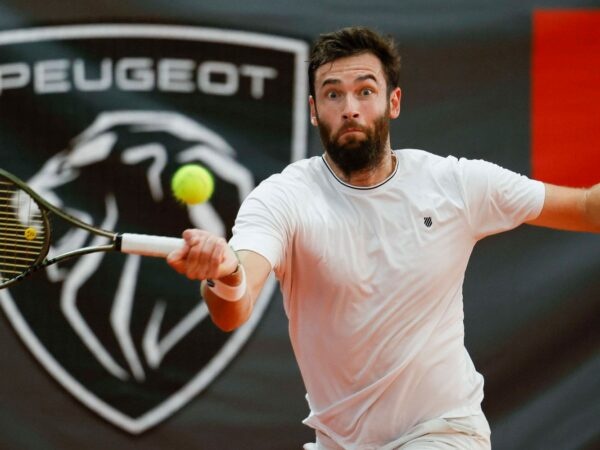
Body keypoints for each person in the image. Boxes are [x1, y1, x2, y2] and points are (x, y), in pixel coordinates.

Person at [167, 27, 600, 449]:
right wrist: (222, 272)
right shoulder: (283, 197)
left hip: (443, 433)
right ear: (315, 110)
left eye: (365, 91)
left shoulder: (454, 184)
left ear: (393, 102)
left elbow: (583, 208)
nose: (350, 107)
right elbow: (234, 307)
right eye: (334, 94)